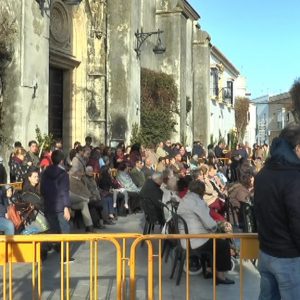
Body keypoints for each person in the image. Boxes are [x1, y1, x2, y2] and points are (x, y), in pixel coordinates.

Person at [254, 124, 300, 299]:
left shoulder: (264, 173)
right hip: (289, 258)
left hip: (266, 252)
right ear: (297, 148)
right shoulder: (294, 177)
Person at [177, 180, 234, 284]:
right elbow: (210, 225)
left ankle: (209, 270)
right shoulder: (197, 202)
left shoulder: (186, 199)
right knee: (223, 245)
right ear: (202, 191)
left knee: (215, 241)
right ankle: (220, 276)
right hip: (195, 241)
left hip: (186, 238)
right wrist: (219, 227)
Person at [40, 150, 73, 262]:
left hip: (49, 205)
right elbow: (64, 191)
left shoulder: (45, 173)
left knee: (53, 230)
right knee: (65, 230)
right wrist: (66, 207)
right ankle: (65, 256)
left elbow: (42, 190)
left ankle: (43, 249)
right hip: (60, 206)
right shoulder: (63, 174)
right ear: (62, 161)